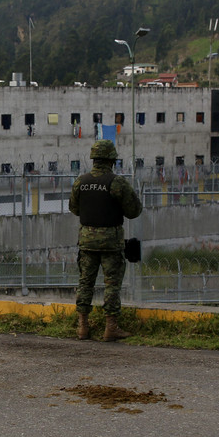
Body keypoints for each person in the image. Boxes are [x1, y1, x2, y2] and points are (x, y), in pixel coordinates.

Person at [69, 140, 143, 341]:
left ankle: (82, 326)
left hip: (87, 241)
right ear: (112, 159)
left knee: (85, 282)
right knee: (112, 284)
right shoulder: (116, 182)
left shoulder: (80, 181)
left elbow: (74, 208)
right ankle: (111, 327)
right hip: (110, 241)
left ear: (93, 158)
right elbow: (134, 211)